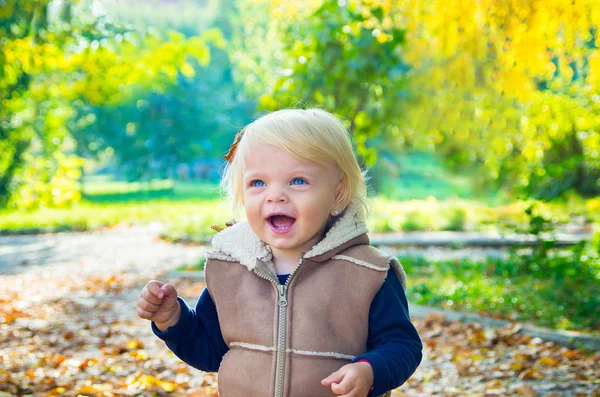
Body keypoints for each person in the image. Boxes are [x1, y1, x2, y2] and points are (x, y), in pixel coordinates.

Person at [137, 108, 423, 397]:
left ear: (337, 193)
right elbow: (211, 352)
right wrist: (172, 318)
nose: (275, 195)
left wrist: (369, 370)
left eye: (298, 181)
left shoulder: (368, 273)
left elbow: (402, 346)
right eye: (258, 183)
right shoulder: (232, 269)